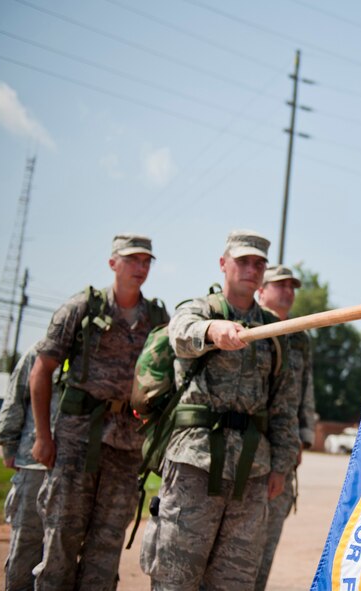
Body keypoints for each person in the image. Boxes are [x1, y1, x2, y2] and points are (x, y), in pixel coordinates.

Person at [141, 230, 300, 590]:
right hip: (194, 466)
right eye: (243, 261)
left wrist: (281, 466)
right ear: (223, 263)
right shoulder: (199, 309)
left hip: (253, 473)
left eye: (259, 263)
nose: (251, 268)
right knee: (176, 576)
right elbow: (179, 333)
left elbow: (284, 407)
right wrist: (213, 330)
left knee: (234, 581)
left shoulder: (274, 331)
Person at [29, 234, 169, 590]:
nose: (140, 268)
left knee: (106, 545)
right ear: (113, 263)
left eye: (146, 261)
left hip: (126, 449)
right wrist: (43, 437)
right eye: (133, 260)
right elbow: (41, 370)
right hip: (76, 441)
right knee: (62, 536)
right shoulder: (82, 308)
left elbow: (167, 379)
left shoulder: (157, 317)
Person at [253, 265, 317, 591]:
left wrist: (303, 439)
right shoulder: (248, 326)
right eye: (280, 286)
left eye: (292, 287)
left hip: (283, 450)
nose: (288, 292)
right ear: (261, 290)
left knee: (266, 543)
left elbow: (306, 389)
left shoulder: (300, 336)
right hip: (249, 446)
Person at [0, 342, 58, 591]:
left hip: (76, 466)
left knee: (61, 551)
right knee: (27, 544)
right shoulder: (42, 352)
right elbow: (15, 396)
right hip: (34, 463)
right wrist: (9, 447)